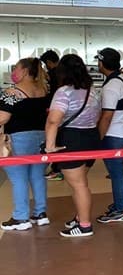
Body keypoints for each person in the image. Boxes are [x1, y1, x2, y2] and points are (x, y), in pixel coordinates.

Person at [45, 54, 102, 238]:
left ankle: (84, 225)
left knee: (79, 185)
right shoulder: (91, 91)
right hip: (90, 138)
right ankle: (80, 217)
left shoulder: (64, 92)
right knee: (81, 183)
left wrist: (50, 146)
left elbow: (53, 121)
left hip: (72, 139)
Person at [0, 58, 50, 231]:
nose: (14, 72)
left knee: (18, 177)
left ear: (26, 71)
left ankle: (21, 217)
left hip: (18, 138)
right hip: (41, 137)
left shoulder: (12, 92)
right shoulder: (44, 89)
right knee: (37, 175)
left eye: (17, 68)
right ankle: (40, 214)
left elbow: (3, 117)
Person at [95, 48, 123, 224]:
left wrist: (98, 138)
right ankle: (121, 204)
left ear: (102, 63)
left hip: (114, 135)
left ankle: (121, 209)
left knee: (116, 174)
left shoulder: (111, 86)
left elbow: (107, 116)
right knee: (117, 172)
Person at [40, 50, 64, 181]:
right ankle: (58, 168)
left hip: (54, 110)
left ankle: (56, 169)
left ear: (49, 62)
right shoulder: (64, 73)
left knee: (54, 139)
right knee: (60, 138)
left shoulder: (51, 75)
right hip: (64, 112)